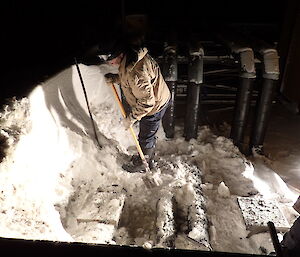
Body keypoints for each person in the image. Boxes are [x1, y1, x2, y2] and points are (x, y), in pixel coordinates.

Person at [98, 38, 170, 173]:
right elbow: (129, 80)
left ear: (119, 54)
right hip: (156, 97)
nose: (109, 63)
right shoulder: (130, 59)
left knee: (146, 135)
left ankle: (144, 162)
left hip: (154, 105)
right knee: (148, 132)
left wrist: (131, 118)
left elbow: (147, 102)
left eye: (110, 59)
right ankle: (147, 156)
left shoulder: (136, 72)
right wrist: (115, 79)